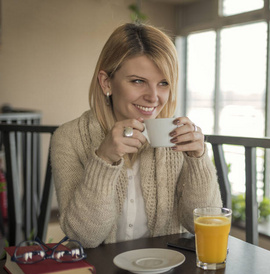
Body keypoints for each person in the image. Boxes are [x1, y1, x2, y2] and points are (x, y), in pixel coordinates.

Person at [51, 23, 222, 248]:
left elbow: (202, 223)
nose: (153, 97)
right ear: (106, 82)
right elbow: (84, 237)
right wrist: (103, 160)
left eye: (163, 83)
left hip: (168, 273)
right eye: (138, 81)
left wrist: (197, 161)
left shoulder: (177, 136)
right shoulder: (69, 138)